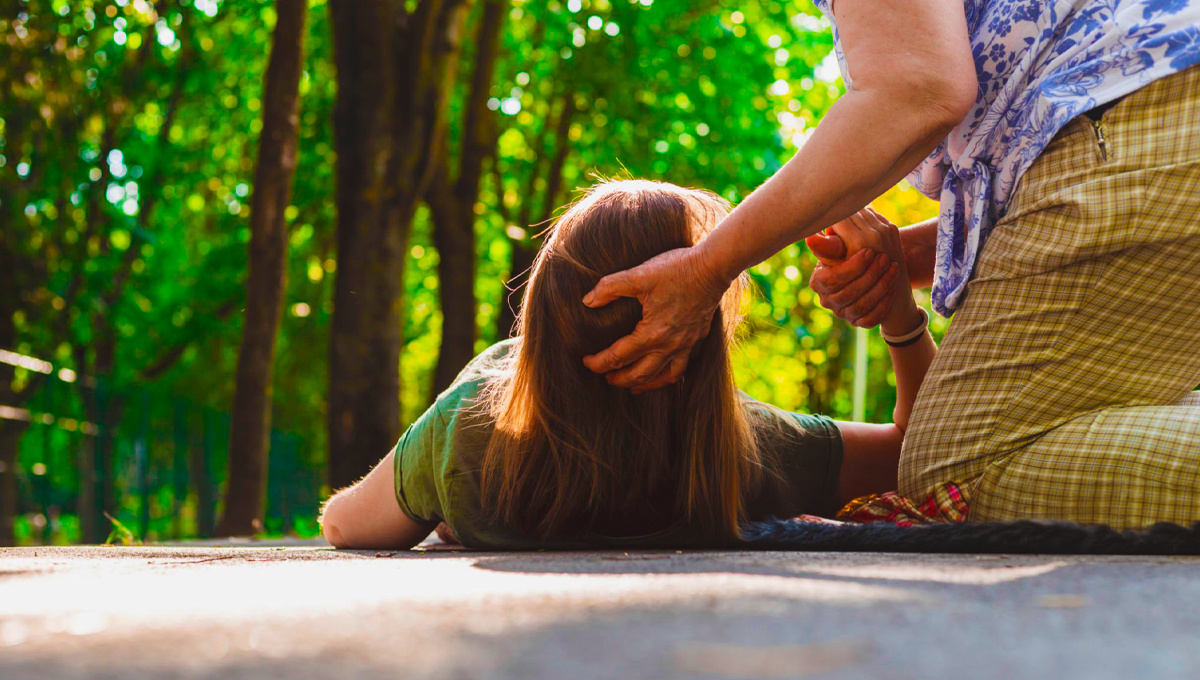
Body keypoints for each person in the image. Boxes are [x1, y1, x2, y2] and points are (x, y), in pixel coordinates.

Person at [581, 1, 1200, 528]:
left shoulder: (755, 447)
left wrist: (709, 266)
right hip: (1156, 101)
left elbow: (917, 88)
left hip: (1141, 110)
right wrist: (899, 266)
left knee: (958, 471)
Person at [319, 181, 930, 549]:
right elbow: (922, 454)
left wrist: (448, 487)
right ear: (699, 332)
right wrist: (901, 316)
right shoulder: (747, 449)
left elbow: (344, 526)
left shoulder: (470, 431)